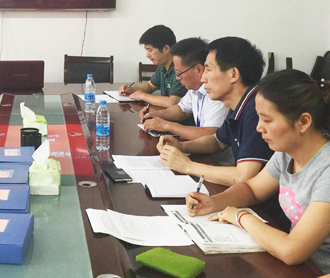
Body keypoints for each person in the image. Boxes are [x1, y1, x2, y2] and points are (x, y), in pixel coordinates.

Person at [186, 70, 330, 274]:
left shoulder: (326, 170)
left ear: (304, 122)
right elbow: (253, 189)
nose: (259, 128)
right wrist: (214, 202)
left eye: (267, 120)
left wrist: (241, 216)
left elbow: (292, 250)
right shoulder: (286, 153)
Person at [157, 37, 273, 186]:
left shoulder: (256, 110)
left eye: (208, 70)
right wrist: (181, 146)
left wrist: (187, 166)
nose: (203, 78)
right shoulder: (240, 105)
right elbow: (217, 142)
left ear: (233, 74)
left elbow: (243, 176)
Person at [140, 37, 229, 140]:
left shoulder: (217, 93)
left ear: (199, 69)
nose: (177, 78)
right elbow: (182, 110)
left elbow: (211, 135)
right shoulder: (194, 89)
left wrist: (167, 126)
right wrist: (157, 114)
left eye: (179, 73)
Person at [118, 25, 187, 108]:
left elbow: (172, 102)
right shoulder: (162, 66)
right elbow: (150, 85)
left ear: (166, 48)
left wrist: (143, 96)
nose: (147, 55)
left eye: (150, 50)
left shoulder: (180, 68)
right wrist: (132, 89)